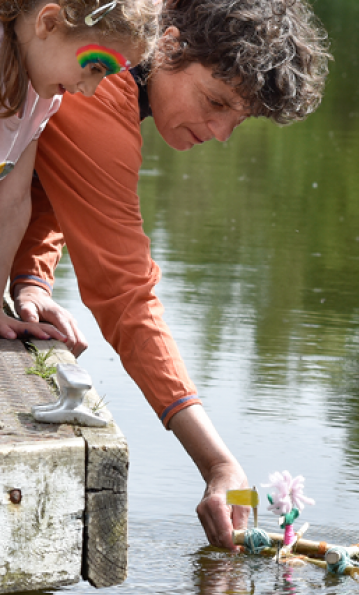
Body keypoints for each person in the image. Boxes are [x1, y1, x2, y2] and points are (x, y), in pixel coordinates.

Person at [10, 0, 331, 550]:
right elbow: (125, 294)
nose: (223, 132)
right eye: (216, 102)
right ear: (170, 46)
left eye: (240, 116)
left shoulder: (114, 49)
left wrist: (31, 278)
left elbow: (45, 163)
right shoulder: (103, 80)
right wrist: (218, 463)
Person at [0, 0, 158, 346]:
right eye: (94, 67)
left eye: (104, 75)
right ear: (50, 22)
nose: (89, 90)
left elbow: (13, 200)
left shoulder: (42, 99)